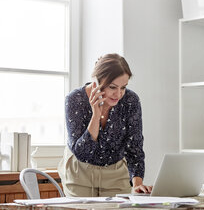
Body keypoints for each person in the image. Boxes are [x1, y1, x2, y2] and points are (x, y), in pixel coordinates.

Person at [58, 53, 152, 197]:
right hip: (79, 174)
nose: (118, 94)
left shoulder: (130, 101)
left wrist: (137, 184)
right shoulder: (75, 99)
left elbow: (135, 148)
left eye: (123, 87)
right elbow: (82, 152)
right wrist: (96, 114)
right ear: (96, 82)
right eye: (113, 87)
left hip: (116, 175)